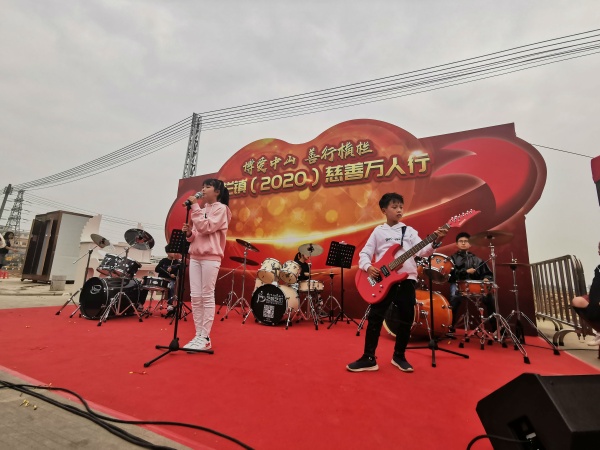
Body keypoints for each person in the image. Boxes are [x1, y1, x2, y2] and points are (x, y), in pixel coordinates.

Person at [347, 193, 447, 373]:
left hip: (407, 279)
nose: (399, 210)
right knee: (375, 317)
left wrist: (437, 239)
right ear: (384, 210)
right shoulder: (378, 231)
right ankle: (368, 358)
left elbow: (423, 251)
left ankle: (399, 356)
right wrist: (368, 267)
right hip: (382, 281)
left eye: (401, 206)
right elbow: (365, 253)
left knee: (406, 319)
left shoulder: (409, 231)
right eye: (394, 207)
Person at [181, 179, 231, 351]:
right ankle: (198, 335)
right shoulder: (200, 210)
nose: (203, 190)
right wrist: (189, 233)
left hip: (211, 257)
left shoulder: (222, 209)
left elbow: (206, 227)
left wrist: (194, 207)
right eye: (202, 187)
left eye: (207, 187)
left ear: (217, 191)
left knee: (207, 296)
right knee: (195, 296)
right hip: (195, 256)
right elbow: (196, 234)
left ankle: (205, 337)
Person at [447, 232, 496, 333]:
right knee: (454, 297)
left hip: (475, 287)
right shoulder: (451, 259)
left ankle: (496, 328)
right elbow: (450, 275)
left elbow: (487, 274)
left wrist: (486, 278)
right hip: (458, 284)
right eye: (461, 241)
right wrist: (465, 272)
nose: (463, 243)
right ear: (457, 244)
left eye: (466, 241)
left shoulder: (478, 260)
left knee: (490, 297)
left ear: (470, 244)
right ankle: (449, 327)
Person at [571, 241, 600, 346]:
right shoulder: (598, 268)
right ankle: (599, 330)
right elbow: (595, 288)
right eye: (599, 249)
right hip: (596, 298)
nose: (598, 251)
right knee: (577, 301)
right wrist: (594, 301)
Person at [154, 246, 182, 316]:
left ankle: (170, 305)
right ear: (168, 252)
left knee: (171, 286)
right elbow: (156, 269)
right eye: (172, 251)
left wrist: (174, 275)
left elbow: (179, 273)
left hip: (171, 280)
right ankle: (140, 304)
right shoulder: (163, 260)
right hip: (162, 279)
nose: (174, 253)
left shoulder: (177, 262)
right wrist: (166, 269)